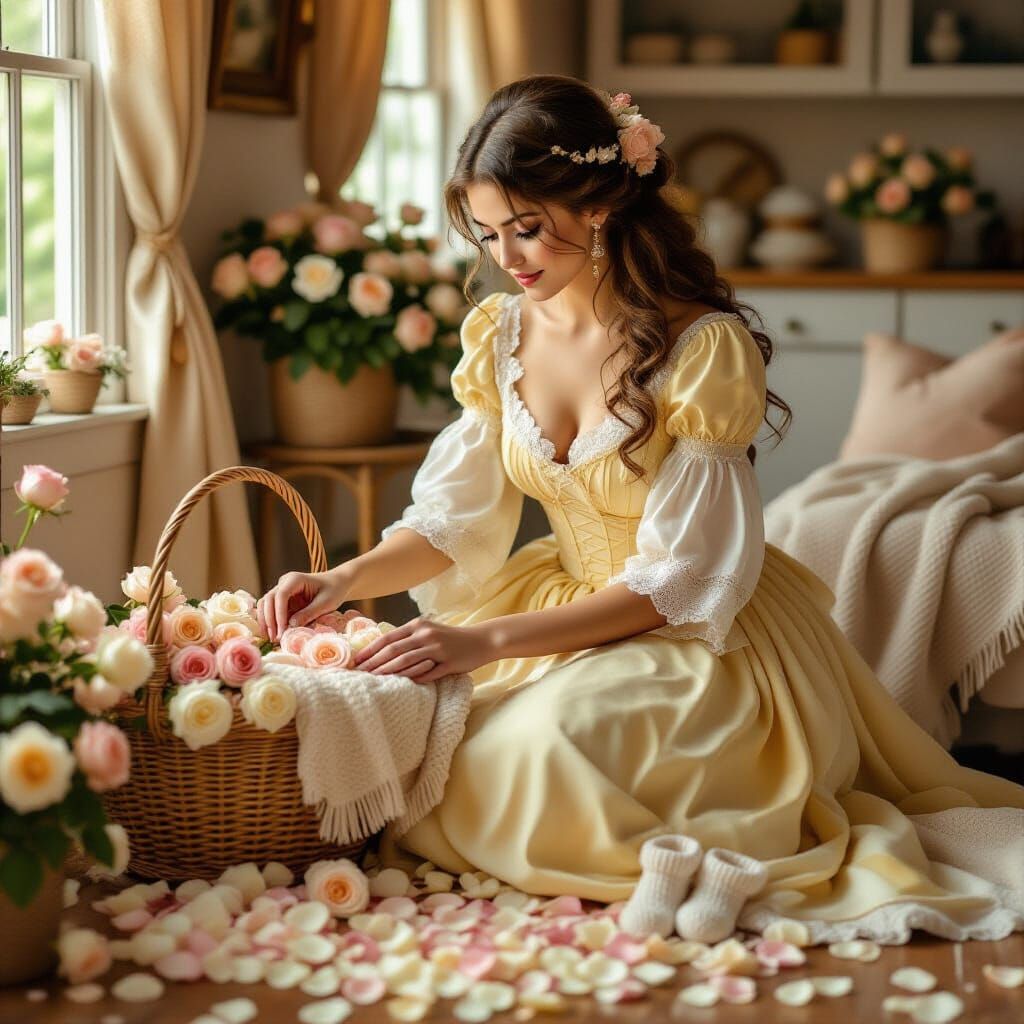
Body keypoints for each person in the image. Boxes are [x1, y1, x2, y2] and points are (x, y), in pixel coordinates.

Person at [257, 75, 1024, 945]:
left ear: (599, 206)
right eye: (489, 233)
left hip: (693, 638)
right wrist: (341, 577)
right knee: (449, 755)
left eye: (527, 228)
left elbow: (684, 583)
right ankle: (646, 856)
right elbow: (450, 521)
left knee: (536, 755)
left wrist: (481, 642)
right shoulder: (502, 334)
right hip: (554, 606)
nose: (507, 257)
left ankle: (698, 865)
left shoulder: (701, 347)